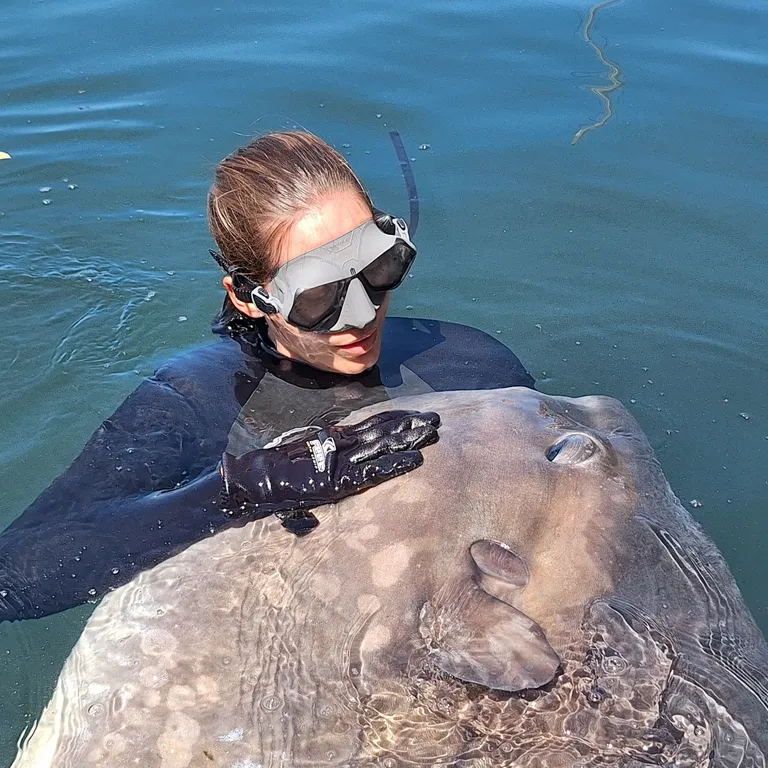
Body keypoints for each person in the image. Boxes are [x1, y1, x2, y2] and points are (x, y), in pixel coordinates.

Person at [0, 131, 534, 623]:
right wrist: (244, 489)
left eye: (379, 269)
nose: (363, 313)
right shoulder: (193, 401)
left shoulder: (474, 363)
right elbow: (14, 580)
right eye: (318, 299)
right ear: (247, 298)